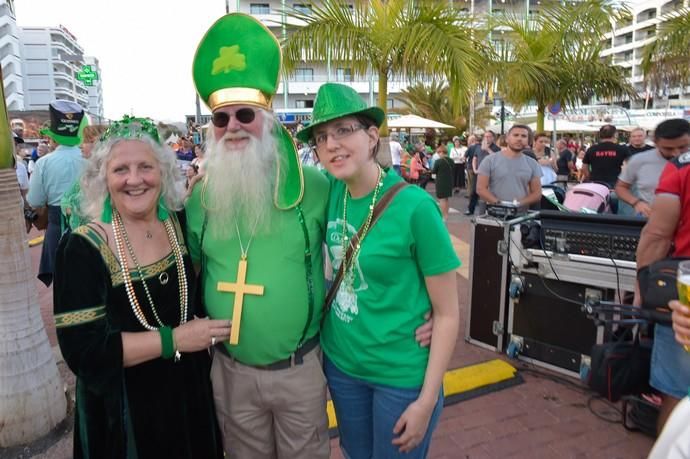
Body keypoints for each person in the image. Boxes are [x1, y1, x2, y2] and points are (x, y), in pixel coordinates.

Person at [296, 82, 459, 459]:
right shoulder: (329, 192)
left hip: (401, 375)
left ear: (372, 137)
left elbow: (448, 314)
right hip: (343, 366)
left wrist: (427, 400)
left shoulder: (416, 208)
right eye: (322, 137)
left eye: (343, 130)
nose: (332, 144)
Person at [53, 116, 227, 459]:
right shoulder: (83, 247)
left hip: (187, 397)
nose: (134, 179)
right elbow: (84, 354)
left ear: (162, 173)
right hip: (125, 417)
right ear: (103, 177)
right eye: (121, 169)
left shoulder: (175, 223)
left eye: (146, 166)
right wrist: (175, 339)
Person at [635, 147, 690, 435]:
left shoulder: (682, 167)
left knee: (678, 390)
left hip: (685, 290)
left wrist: (642, 289)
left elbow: (657, 234)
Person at [26, 100, 87, 286]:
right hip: (90, 225)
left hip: (57, 227)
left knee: (62, 284)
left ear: (53, 137)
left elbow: (34, 199)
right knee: (89, 279)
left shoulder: (44, 163)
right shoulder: (92, 161)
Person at [615, 119, 690, 218]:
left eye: (682, 147)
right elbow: (621, 187)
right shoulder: (639, 160)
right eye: (668, 148)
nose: (676, 153)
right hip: (651, 218)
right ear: (656, 143)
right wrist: (637, 203)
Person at [476, 125, 543, 207]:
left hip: (521, 216)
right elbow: (481, 189)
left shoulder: (532, 163)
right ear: (507, 139)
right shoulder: (489, 160)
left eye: (524, 136)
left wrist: (518, 204)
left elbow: (537, 193)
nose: (519, 139)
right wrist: (499, 203)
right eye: (515, 135)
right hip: (494, 214)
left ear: (528, 141)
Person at [582, 124, 631, 188]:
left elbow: (584, 167)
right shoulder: (622, 149)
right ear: (615, 134)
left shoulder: (591, 149)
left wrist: (589, 178)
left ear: (600, 135)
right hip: (615, 183)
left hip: (596, 184)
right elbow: (631, 166)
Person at [466, 131, 500, 215]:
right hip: (479, 173)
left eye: (489, 136)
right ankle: (470, 210)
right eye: (485, 136)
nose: (487, 138)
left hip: (490, 174)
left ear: (493, 138)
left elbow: (497, 159)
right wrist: (474, 169)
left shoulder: (496, 148)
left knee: (488, 193)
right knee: (474, 191)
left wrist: (487, 149)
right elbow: (475, 158)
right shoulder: (478, 147)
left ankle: (488, 211)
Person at [432, 143, 455, 221]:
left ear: (441, 152)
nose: (438, 154)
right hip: (449, 181)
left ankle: (443, 215)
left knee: (441, 199)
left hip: (441, 181)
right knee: (446, 199)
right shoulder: (451, 161)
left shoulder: (438, 161)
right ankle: (446, 215)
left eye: (439, 152)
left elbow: (434, 171)